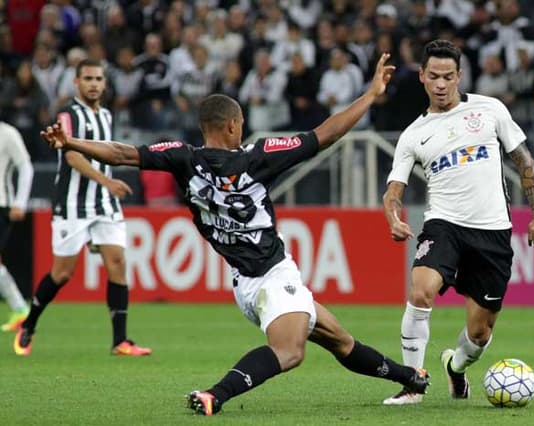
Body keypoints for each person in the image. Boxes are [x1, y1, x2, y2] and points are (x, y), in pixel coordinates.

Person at [39, 54, 429, 416]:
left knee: (339, 340)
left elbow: (122, 153)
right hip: (271, 275)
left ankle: (410, 379)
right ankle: (215, 394)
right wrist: (371, 95)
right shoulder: (258, 156)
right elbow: (325, 134)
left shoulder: (182, 158)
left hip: (245, 283)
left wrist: (70, 142)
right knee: (290, 351)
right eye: (240, 123)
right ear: (232, 125)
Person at [381, 40, 534, 405]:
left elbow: (524, 163)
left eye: (448, 76)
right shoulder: (413, 135)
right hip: (445, 225)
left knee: (480, 333)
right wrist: (392, 215)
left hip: (492, 232)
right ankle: (413, 384)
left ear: (459, 76)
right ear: (422, 77)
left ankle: (455, 368)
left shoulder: (490, 110)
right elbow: (393, 190)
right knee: (420, 290)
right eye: (434, 76)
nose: (441, 84)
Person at [14, 59, 151, 357]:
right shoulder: (68, 116)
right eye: (87, 78)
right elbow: (73, 157)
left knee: (117, 263)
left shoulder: (107, 115)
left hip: (105, 204)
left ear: (104, 83)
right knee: (62, 274)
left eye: (98, 79)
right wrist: (107, 182)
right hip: (74, 204)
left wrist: (107, 188)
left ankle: (120, 341)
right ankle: (29, 324)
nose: (93, 83)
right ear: (76, 82)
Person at [0, 120, 34, 332]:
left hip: (1, 203)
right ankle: (21, 309)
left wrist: (21, 201)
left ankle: (21, 309)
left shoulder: (7, 133)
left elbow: (25, 165)